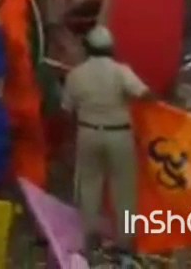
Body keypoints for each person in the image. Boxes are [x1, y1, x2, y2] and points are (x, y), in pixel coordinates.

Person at [61, 25, 152, 261]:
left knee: (89, 187)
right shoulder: (121, 71)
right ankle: (125, 244)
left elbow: (66, 110)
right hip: (119, 135)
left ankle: (90, 240)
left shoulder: (76, 74)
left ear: (88, 49)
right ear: (111, 49)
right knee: (124, 190)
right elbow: (144, 94)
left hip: (88, 133)